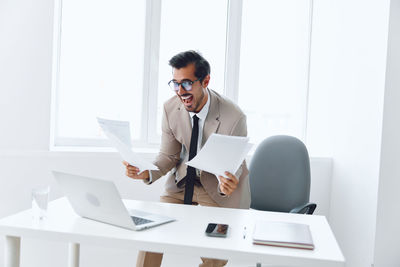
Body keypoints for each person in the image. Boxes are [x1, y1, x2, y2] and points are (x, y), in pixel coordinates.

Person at [123, 50, 250, 267]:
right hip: (181, 184)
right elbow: (169, 155)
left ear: (205, 81)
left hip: (216, 188)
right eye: (175, 83)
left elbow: (233, 166)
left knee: (216, 254)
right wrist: (148, 171)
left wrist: (227, 184)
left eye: (187, 83)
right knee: (151, 236)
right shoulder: (170, 108)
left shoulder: (233, 116)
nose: (180, 91)